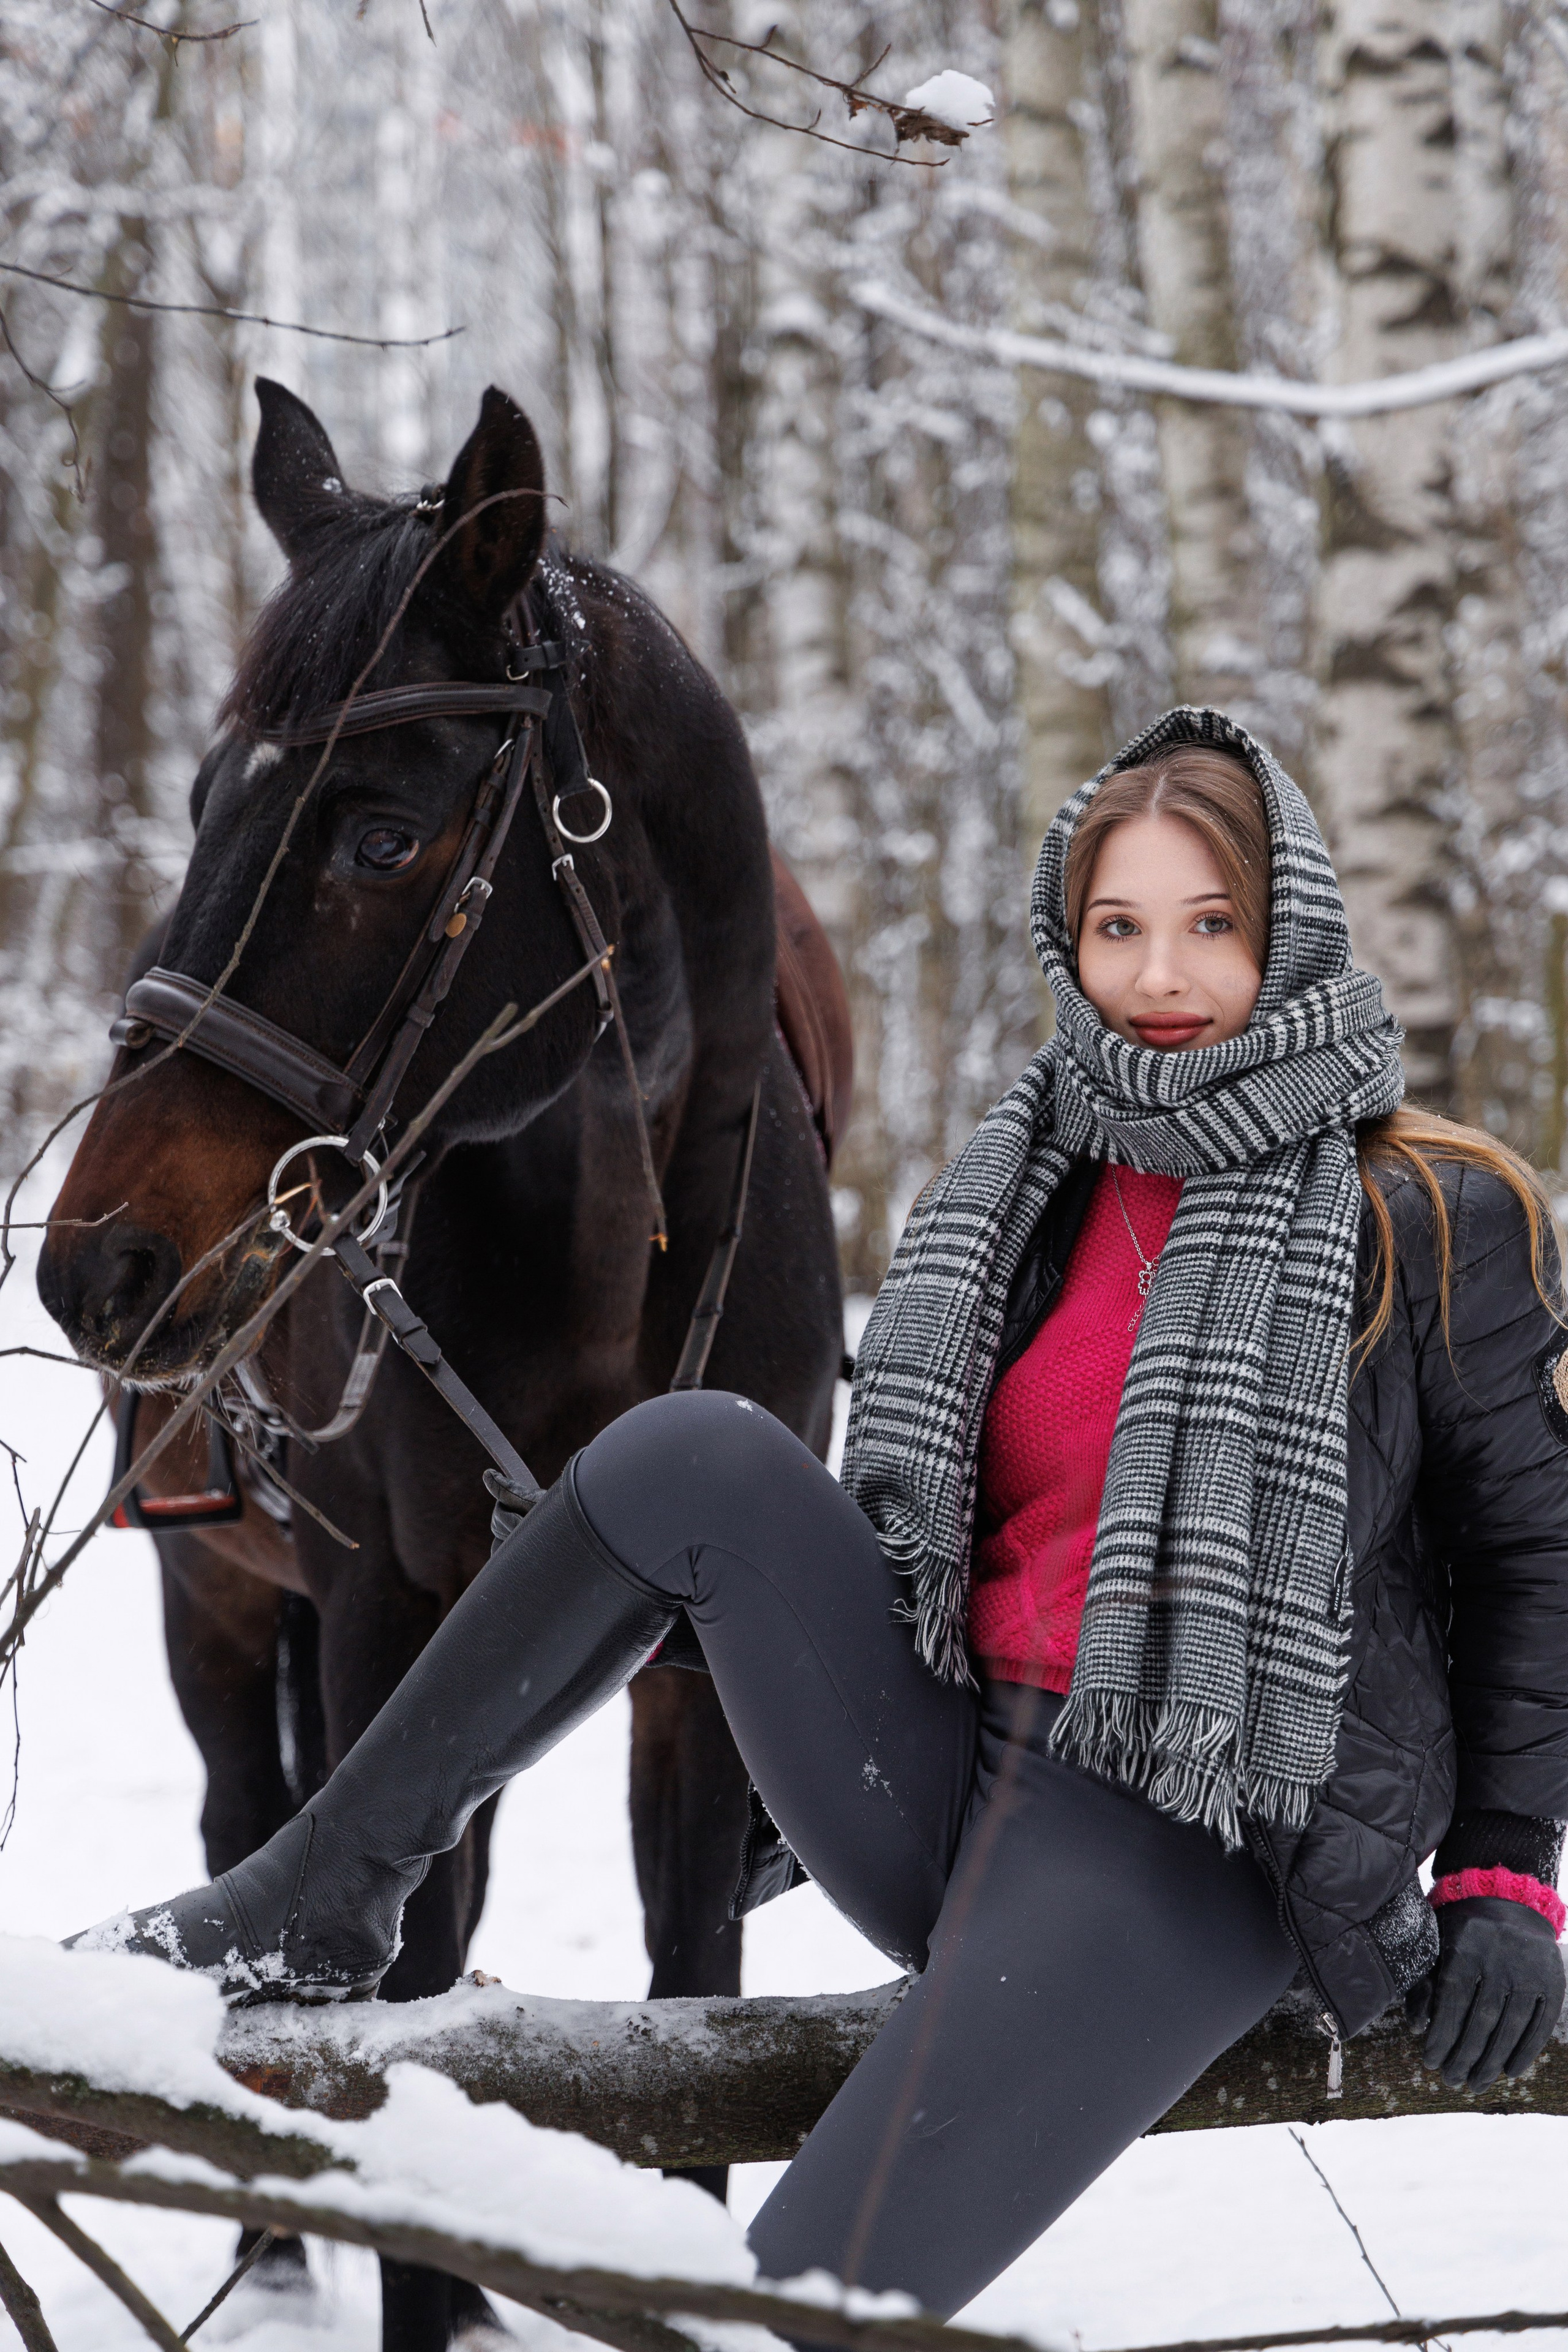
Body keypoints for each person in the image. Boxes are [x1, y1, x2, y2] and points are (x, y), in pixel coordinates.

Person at [74, 707, 1568, 2321]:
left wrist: (1506, 1876)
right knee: (696, 1455)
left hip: (1194, 1845)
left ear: (1293, 933)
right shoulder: (1031, 1181)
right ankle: (330, 1889)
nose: (1163, 975)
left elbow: (1532, 1558)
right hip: (952, 1772)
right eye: (1119, 927)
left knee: (782, 2310)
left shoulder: (1426, 1210)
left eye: (1214, 925)